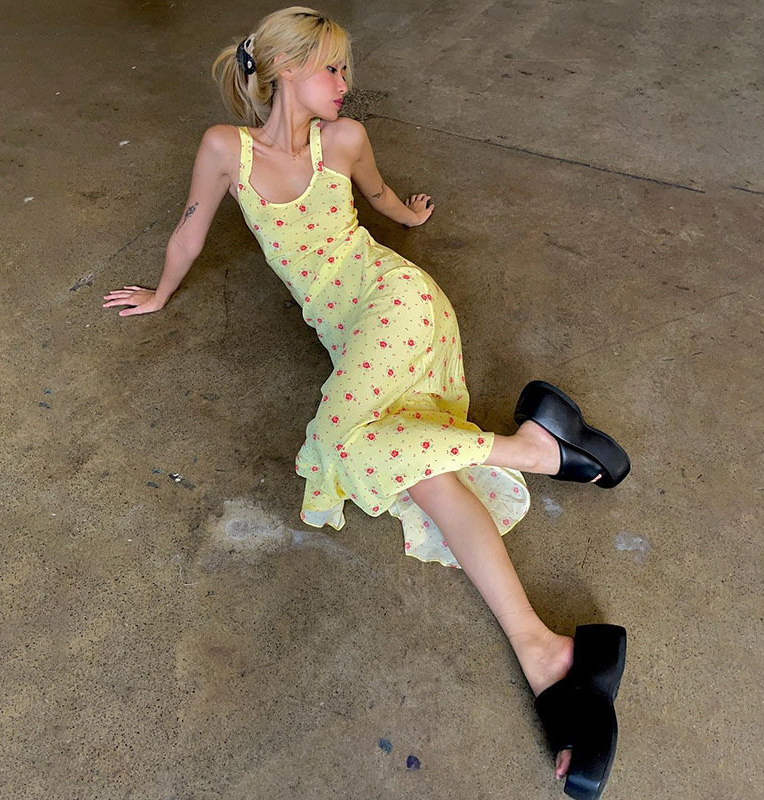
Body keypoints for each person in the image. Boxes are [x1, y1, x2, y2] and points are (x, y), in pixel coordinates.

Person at [102, 7, 631, 798]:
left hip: (399, 305)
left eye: (345, 70)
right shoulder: (226, 150)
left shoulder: (341, 142)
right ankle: (546, 651)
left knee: (343, 444)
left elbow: (377, 194)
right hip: (354, 337)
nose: (345, 86)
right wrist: (160, 291)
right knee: (415, 467)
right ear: (284, 71)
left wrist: (408, 215)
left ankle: (536, 449)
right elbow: (191, 228)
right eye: (332, 70)